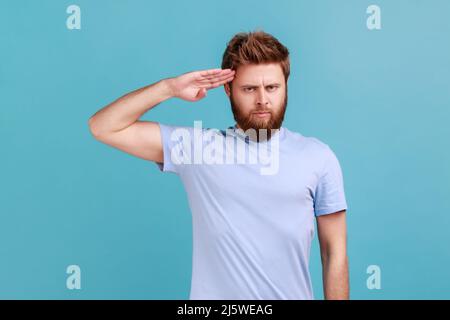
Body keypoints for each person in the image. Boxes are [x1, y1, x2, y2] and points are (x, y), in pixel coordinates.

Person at [88, 30, 349, 300]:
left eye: (272, 87)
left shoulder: (318, 157)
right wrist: (169, 88)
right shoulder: (198, 149)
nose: (262, 99)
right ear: (228, 89)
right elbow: (104, 127)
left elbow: (334, 253)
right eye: (249, 89)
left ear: (285, 86)